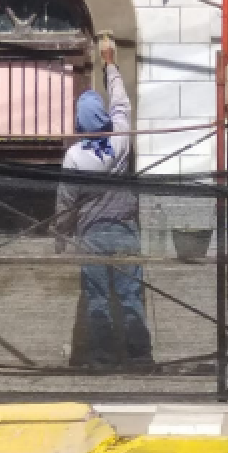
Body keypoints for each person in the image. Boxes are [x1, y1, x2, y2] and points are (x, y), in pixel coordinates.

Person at [55, 40, 153, 370]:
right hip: (125, 231)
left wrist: (61, 234)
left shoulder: (74, 156)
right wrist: (109, 62)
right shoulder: (120, 139)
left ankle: (102, 359)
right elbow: (121, 102)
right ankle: (140, 358)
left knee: (97, 297)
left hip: (92, 235)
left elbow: (66, 200)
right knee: (130, 296)